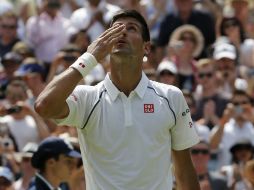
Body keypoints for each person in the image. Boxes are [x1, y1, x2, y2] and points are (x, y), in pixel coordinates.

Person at [34, 10, 200, 190]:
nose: (122, 32)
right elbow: (44, 106)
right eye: (116, 29)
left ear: (146, 47)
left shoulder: (171, 97)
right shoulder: (87, 97)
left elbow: (184, 171)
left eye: (131, 28)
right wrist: (90, 57)